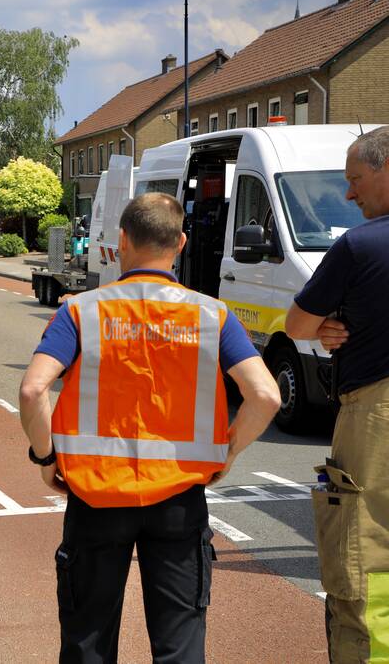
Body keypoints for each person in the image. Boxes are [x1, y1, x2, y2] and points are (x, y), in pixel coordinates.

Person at [19, 192, 280, 664]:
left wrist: (46, 457)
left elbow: (33, 390)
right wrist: (227, 452)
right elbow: (266, 395)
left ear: (121, 241)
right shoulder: (211, 315)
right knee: (180, 647)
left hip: (96, 499)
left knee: (88, 642)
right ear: (180, 242)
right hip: (179, 503)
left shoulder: (81, 312)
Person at [286, 125, 389, 664]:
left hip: (376, 413)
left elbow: (297, 323)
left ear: (386, 167)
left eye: (354, 180)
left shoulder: (360, 244)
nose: (349, 194)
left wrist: (328, 325)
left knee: (364, 555)